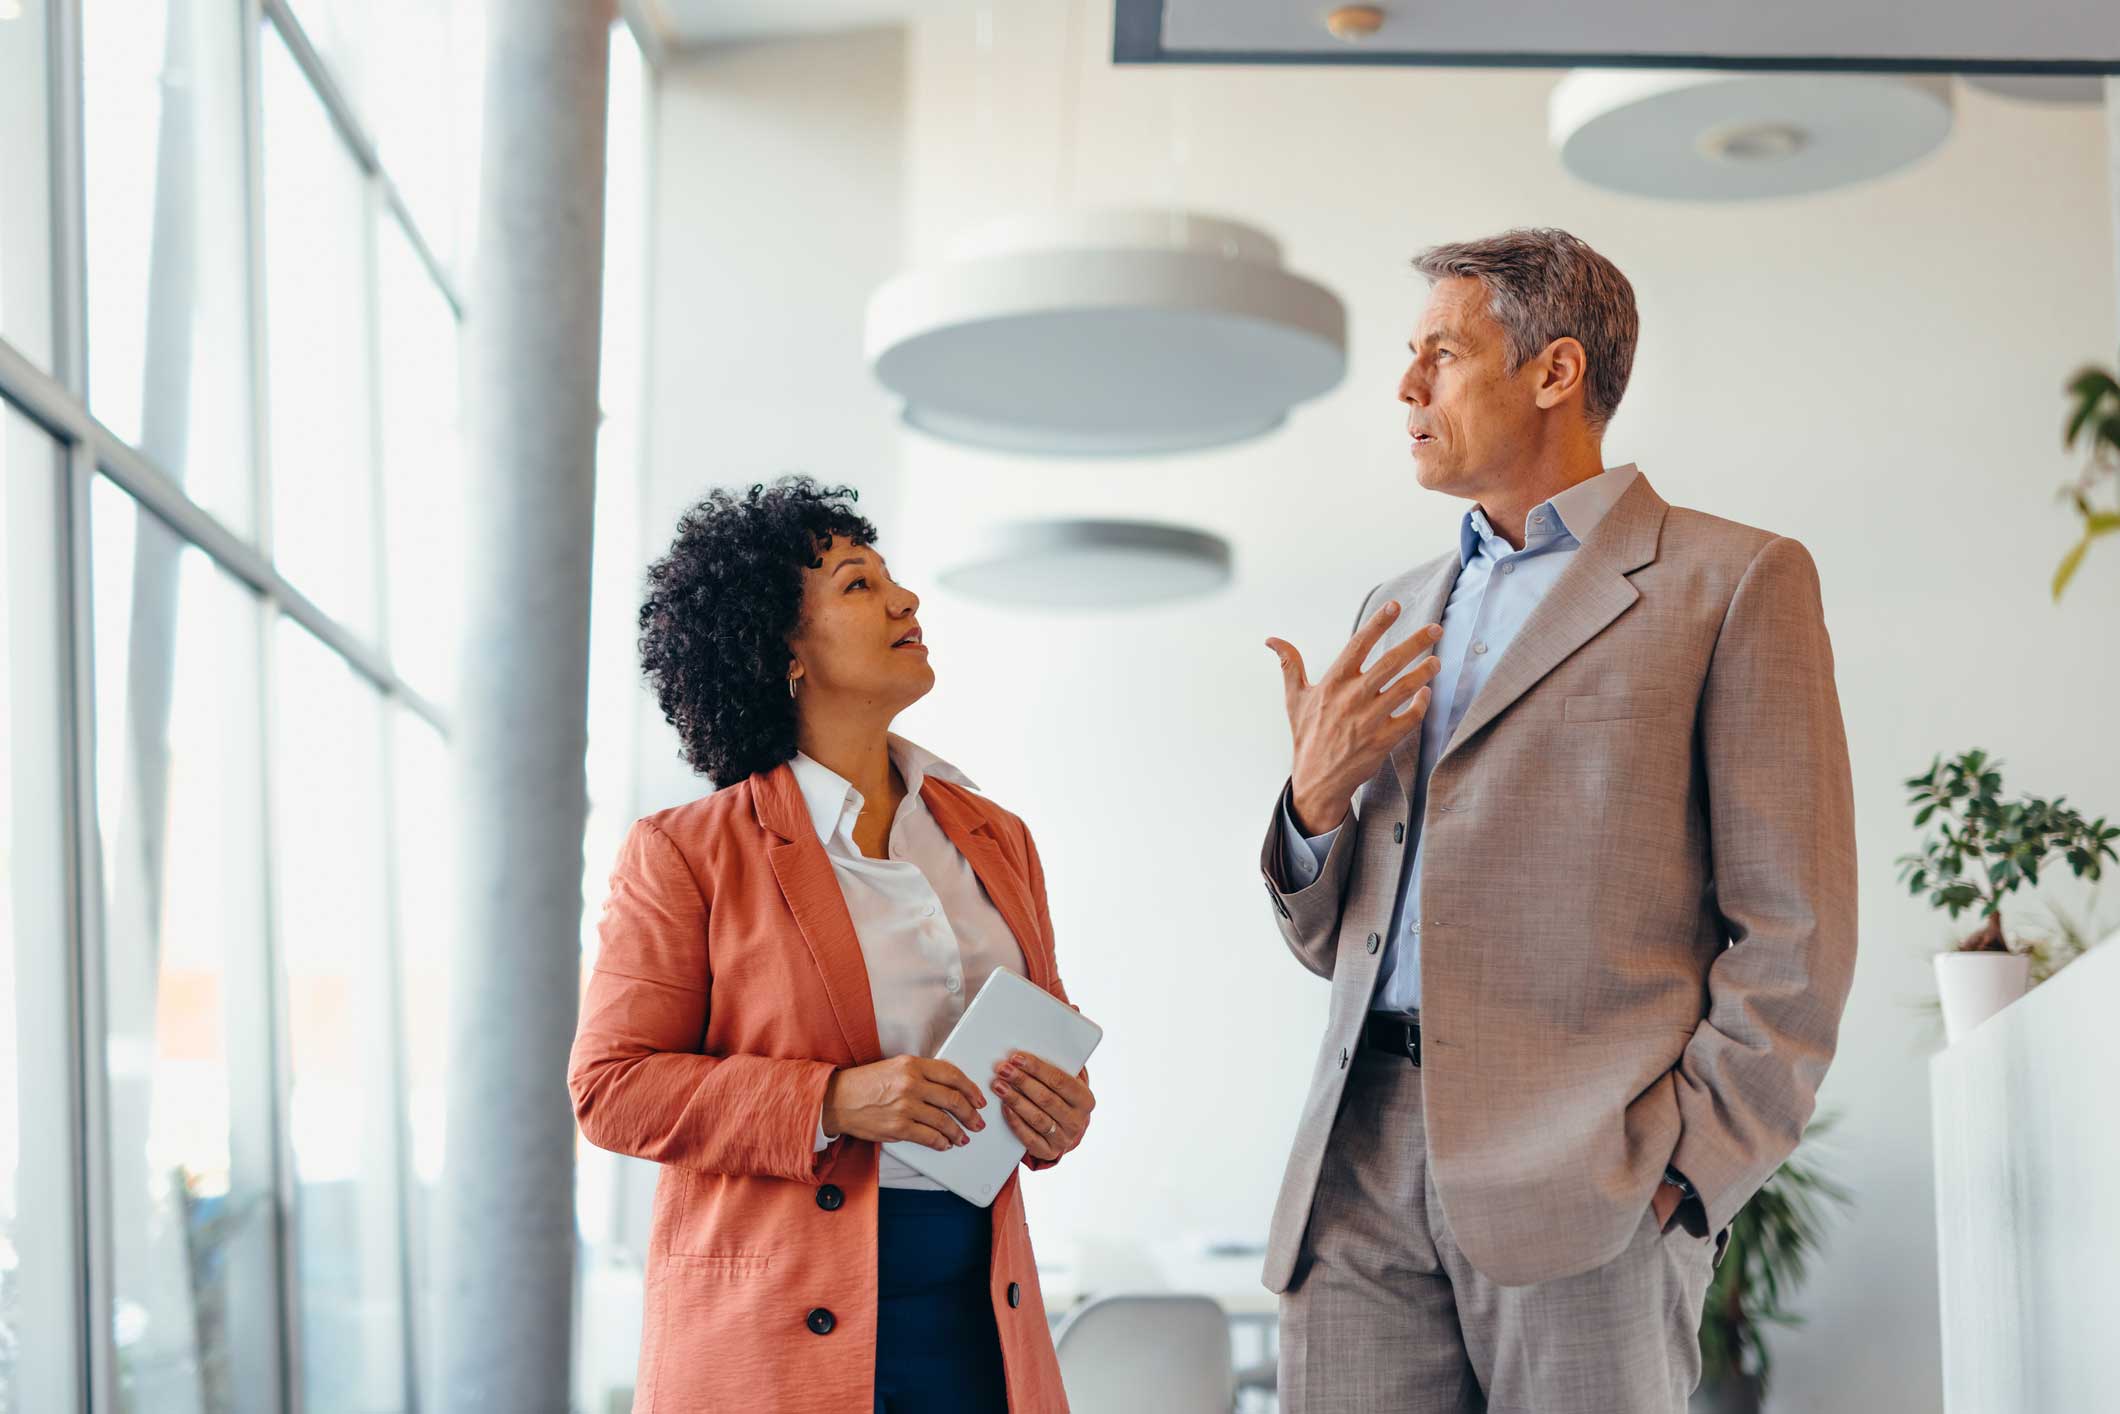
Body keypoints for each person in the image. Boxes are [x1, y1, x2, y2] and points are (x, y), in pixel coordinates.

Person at [1258, 228, 1857, 1412]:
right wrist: (1309, 805)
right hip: (1358, 1159)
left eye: (1440, 353)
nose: (1404, 387)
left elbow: (1795, 926)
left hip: (1591, 1176)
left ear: (1553, 371)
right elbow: (1332, 937)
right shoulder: (1394, 604)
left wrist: (1687, 1174)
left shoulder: (1729, 581)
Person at [569, 478, 1092, 1413]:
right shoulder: (685, 851)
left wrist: (1058, 1113)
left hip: (981, 1317)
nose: (905, 600)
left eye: (891, 578)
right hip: (771, 1328)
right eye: (858, 585)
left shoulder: (995, 836)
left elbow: (1045, 1042)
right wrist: (836, 1100)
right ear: (783, 651)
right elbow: (611, 1088)